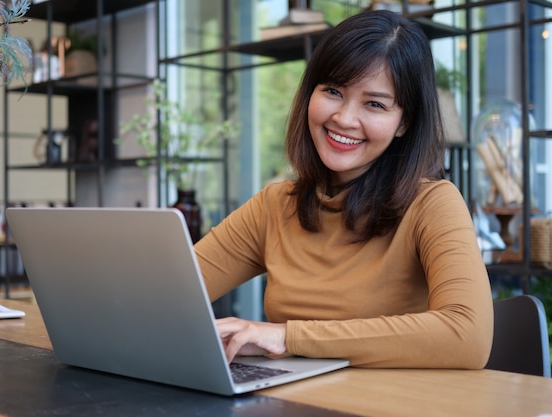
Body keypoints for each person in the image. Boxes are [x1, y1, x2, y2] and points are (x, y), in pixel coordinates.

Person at [194, 9, 494, 369]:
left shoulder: (432, 203)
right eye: (333, 91)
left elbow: (468, 336)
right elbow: (165, 294)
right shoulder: (275, 206)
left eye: (374, 104)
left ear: (404, 122)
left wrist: (288, 337)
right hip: (292, 400)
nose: (344, 119)